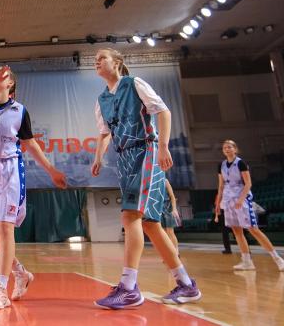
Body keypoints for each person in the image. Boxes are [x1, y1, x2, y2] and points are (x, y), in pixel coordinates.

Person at [91, 48, 201, 308]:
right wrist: (98, 157)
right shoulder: (101, 100)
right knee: (151, 224)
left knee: (130, 216)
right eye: (95, 60)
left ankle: (129, 287)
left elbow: (163, 111)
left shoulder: (134, 83)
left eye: (102, 58)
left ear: (117, 62)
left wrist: (163, 146)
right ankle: (186, 284)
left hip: (145, 151)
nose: (97, 61)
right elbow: (105, 133)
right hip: (125, 159)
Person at [0, 65, 68, 309]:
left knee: (5, 228)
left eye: (1, 75)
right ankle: (20, 272)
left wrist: (51, 170)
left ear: (10, 84)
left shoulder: (19, 111)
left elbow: (30, 144)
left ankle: (0, 289)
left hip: (9, 168)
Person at [216, 139, 284, 271]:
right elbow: (221, 185)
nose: (227, 149)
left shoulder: (240, 163)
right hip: (228, 200)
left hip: (241, 199)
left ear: (235, 149)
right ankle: (247, 262)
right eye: (225, 148)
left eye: (229, 147)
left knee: (253, 229)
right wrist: (218, 202)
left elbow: (248, 183)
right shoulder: (221, 165)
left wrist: (241, 199)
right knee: (237, 232)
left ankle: (278, 259)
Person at [161, 178, 180, 255]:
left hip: (168, 209)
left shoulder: (165, 181)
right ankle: (169, 253)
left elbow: (172, 196)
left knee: (170, 232)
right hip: (158, 210)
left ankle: (176, 252)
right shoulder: (152, 181)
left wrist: (174, 209)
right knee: (164, 233)